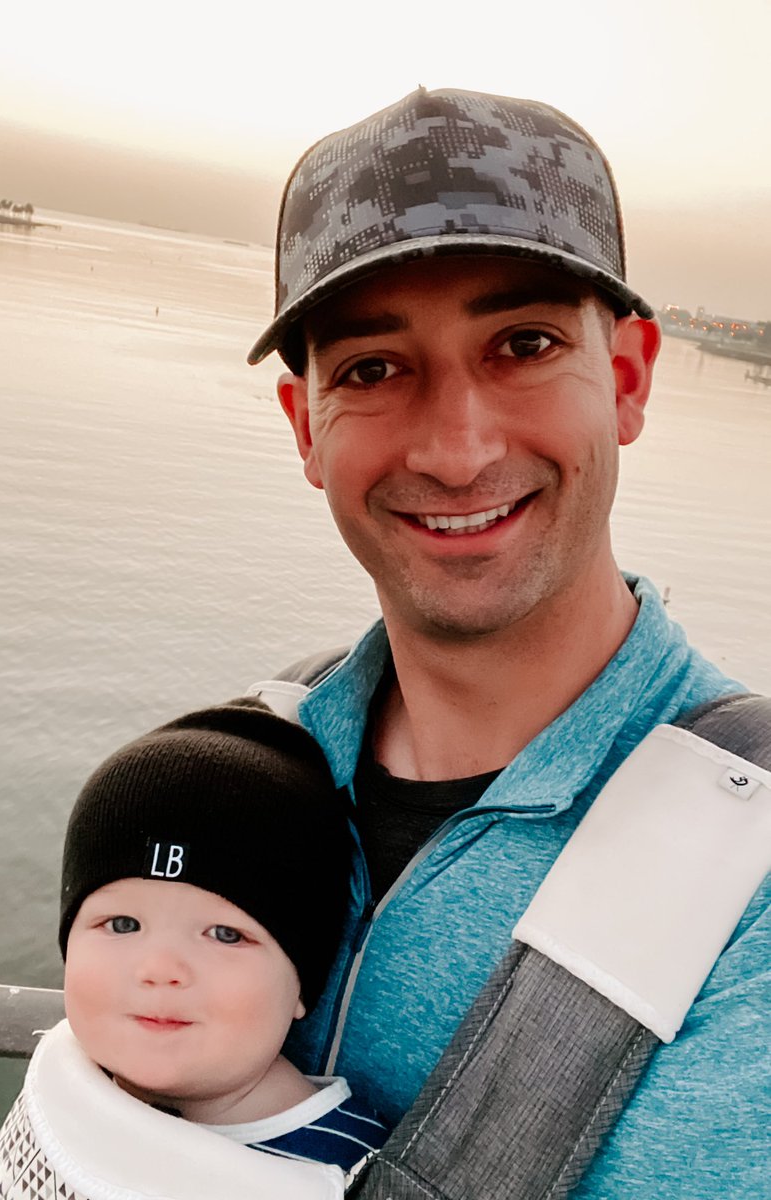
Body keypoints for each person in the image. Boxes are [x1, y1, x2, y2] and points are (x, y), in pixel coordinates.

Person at [245, 87, 770, 1198]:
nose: (457, 449)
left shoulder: (754, 872)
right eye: (372, 368)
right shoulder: (263, 746)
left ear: (626, 379)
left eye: (524, 345)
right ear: (306, 428)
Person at [0, 699, 389, 1200]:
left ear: (303, 982)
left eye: (225, 934)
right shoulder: (65, 1080)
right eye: (123, 924)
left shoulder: (353, 1169)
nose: (160, 968)